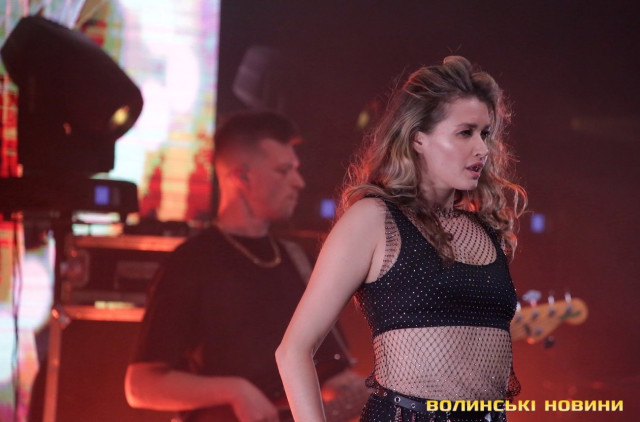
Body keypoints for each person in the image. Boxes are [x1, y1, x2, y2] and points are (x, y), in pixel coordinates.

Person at [276, 56, 527, 422]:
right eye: (465, 132)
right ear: (418, 138)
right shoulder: (373, 220)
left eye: (485, 134)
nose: (482, 149)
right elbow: (293, 350)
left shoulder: (487, 229)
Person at [125, 111, 364, 422]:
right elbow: (140, 385)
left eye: (296, 170)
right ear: (241, 178)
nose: (299, 182)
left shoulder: (298, 260)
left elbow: (332, 376)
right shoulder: (191, 263)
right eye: (283, 171)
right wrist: (234, 391)